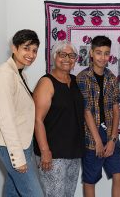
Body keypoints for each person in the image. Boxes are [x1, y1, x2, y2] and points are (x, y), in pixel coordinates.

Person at [0, 29, 43, 196]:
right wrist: (17, 157)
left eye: (34, 50)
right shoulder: (5, 74)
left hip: (23, 143)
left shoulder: (20, 75)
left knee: (13, 192)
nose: (31, 54)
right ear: (14, 48)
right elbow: (6, 119)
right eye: (26, 48)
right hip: (11, 145)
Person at [33, 41, 85, 197]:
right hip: (52, 154)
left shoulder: (76, 81)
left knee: (68, 194)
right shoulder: (46, 83)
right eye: (62, 54)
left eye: (71, 55)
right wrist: (45, 151)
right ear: (54, 57)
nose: (67, 59)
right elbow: (37, 120)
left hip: (74, 152)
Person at [76, 35, 120, 197]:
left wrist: (112, 139)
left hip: (110, 133)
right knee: (91, 180)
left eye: (106, 53)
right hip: (91, 136)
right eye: (98, 52)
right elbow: (86, 110)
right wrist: (98, 140)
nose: (102, 57)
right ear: (91, 53)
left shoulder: (111, 78)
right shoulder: (83, 78)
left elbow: (116, 109)